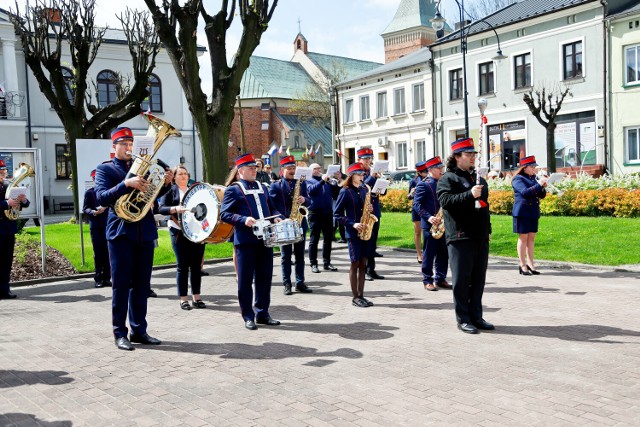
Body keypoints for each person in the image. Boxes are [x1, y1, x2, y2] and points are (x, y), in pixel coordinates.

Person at [95, 127, 174, 351]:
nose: (128, 147)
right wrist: (125, 184)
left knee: (142, 284)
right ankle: (120, 332)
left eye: (131, 143)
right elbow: (100, 197)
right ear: (114, 146)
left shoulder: (148, 167)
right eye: (124, 143)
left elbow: (151, 197)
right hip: (120, 232)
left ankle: (139, 330)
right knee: (121, 285)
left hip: (144, 231)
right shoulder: (106, 169)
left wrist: (166, 184)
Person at [437, 137, 493, 334]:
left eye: (473, 155)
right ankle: (463, 318)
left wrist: (488, 230)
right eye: (468, 155)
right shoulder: (448, 178)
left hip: (479, 236)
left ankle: (477, 316)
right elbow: (446, 202)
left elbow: (485, 208)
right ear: (457, 157)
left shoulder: (477, 178)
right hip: (460, 236)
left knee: (478, 279)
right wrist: (470, 194)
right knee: (462, 280)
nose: (472, 158)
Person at [220, 153, 282, 330]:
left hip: (265, 239)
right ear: (240, 171)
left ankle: (263, 313)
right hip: (245, 241)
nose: (255, 170)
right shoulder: (233, 189)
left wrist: (277, 217)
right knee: (245, 280)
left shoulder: (263, 187)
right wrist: (243, 219)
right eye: (250, 168)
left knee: (264, 278)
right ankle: (248, 315)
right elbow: (224, 214)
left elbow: (272, 208)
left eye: (255, 168)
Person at [158, 165, 207, 310]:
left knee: (197, 266)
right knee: (183, 266)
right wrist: (175, 209)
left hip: (197, 232)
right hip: (178, 231)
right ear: (174, 177)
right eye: (180, 174)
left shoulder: (195, 190)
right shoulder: (170, 191)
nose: (183, 176)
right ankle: (183, 299)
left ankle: (196, 297)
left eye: (185, 173)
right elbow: (161, 208)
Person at [269, 155, 312, 295]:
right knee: (285, 256)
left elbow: (309, 201)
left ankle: (300, 282)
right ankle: (286, 283)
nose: (292, 171)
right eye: (289, 168)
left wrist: (304, 199)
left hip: (299, 223)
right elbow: (272, 206)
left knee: (300, 256)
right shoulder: (275, 185)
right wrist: (281, 218)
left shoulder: (301, 183)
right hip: (284, 225)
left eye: (293, 168)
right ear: (282, 170)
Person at [334, 163, 374, 307]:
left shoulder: (364, 189)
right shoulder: (345, 191)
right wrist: (352, 223)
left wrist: (369, 208)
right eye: (359, 174)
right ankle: (355, 297)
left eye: (363, 174)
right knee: (355, 263)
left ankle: (361, 295)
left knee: (363, 263)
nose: (362, 177)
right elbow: (337, 214)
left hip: (365, 230)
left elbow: (366, 208)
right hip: (353, 232)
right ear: (352, 176)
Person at [413, 156, 449, 291]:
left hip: (443, 223)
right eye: (439, 168)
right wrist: (428, 217)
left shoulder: (444, 183)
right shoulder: (424, 184)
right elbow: (416, 204)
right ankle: (427, 279)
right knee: (429, 253)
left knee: (443, 253)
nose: (441, 170)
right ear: (431, 169)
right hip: (430, 224)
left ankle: (440, 278)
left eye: (442, 167)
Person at [512, 155, 547, 275]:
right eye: (532, 166)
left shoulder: (533, 178)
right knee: (523, 238)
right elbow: (525, 192)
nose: (534, 169)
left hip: (532, 211)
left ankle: (531, 264)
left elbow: (541, 195)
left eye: (534, 166)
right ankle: (522, 264)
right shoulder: (518, 179)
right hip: (522, 211)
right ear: (525, 167)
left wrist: (542, 187)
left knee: (531, 238)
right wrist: (538, 185)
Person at [0, 159, 29, 300]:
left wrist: (23, 200)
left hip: (8, 229)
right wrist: (6, 203)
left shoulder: (8, 185)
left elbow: (25, 204)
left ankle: (5, 289)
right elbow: (7, 203)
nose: (3, 174)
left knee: (7, 261)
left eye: (4, 171)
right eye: (1, 172)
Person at [306, 163, 339, 273]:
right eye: (315, 168)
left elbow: (335, 194)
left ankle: (327, 262)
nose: (318, 170)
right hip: (315, 212)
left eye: (319, 168)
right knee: (314, 239)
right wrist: (322, 181)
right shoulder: (308, 180)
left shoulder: (326, 180)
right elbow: (311, 191)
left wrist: (336, 182)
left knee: (328, 239)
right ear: (310, 170)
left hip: (327, 212)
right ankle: (313, 263)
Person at [357, 148, 384, 281]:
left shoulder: (373, 173)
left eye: (370, 158)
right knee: (365, 242)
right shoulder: (358, 172)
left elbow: (381, 192)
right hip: (363, 211)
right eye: (366, 159)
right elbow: (362, 186)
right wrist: (373, 177)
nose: (369, 161)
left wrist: (382, 183)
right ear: (359, 160)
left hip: (375, 210)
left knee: (373, 242)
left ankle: (371, 269)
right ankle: (364, 269)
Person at [83, 169, 111, 288]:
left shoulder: (108, 192)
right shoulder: (89, 193)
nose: (96, 180)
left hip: (108, 225)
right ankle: (98, 278)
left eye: (97, 178)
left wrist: (105, 207)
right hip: (95, 227)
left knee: (108, 253)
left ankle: (107, 278)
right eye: (94, 179)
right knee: (98, 253)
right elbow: (85, 208)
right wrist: (93, 212)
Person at [408, 162, 429, 263]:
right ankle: (419, 254)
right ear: (419, 172)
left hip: (427, 208)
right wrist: (411, 194)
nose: (426, 173)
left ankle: (426, 253)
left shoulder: (430, 180)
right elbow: (409, 197)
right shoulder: (413, 181)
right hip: (417, 209)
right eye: (424, 172)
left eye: (427, 171)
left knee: (427, 232)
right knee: (417, 232)